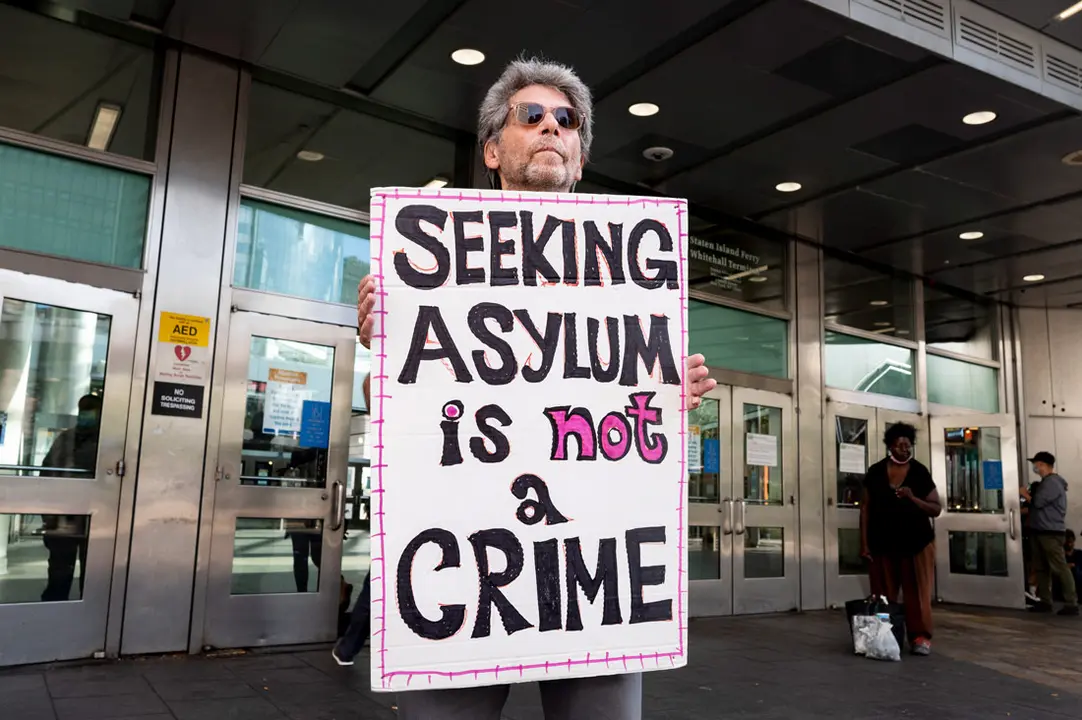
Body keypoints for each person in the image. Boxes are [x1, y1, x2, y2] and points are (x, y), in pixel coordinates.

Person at [347, 57, 717, 720]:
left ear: (578, 157)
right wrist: (392, 354)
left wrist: (665, 400)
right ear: (493, 149)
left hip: (594, 587)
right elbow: (403, 429)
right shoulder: (435, 272)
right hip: (468, 574)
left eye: (567, 121)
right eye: (533, 116)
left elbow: (623, 432)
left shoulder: (628, 276)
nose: (552, 127)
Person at [860, 423, 941, 656]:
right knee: (883, 594)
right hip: (882, 543)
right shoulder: (876, 472)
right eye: (900, 445)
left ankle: (920, 636)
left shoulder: (919, 471)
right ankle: (885, 636)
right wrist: (864, 544)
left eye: (908, 445)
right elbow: (865, 509)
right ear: (890, 446)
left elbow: (936, 509)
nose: (905, 449)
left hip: (916, 544)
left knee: (917, 592)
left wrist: (913, 498)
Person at [40, 394, 101, 601]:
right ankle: (53, 609)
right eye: (83, 410)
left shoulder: (104, 442)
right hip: (64, 514)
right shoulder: (66, 438)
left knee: (92, 569)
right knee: (59, 569)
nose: (86, 415)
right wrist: (48, 514)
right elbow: (47, 472)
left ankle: (89, 612)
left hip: (93, 517)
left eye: (90, 410)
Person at [1026, 451, 1078, 616]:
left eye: (1036, 464)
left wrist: (1024, 494)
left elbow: (1039, 502)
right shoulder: (1048, 482)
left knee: (1059, 567)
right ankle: (1045, 601)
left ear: (1042, 464)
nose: (1035, 467)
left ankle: (1071, 603)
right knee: (1041, 567)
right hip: (1040, 530)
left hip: (1050, 532)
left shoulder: (1052, 483)